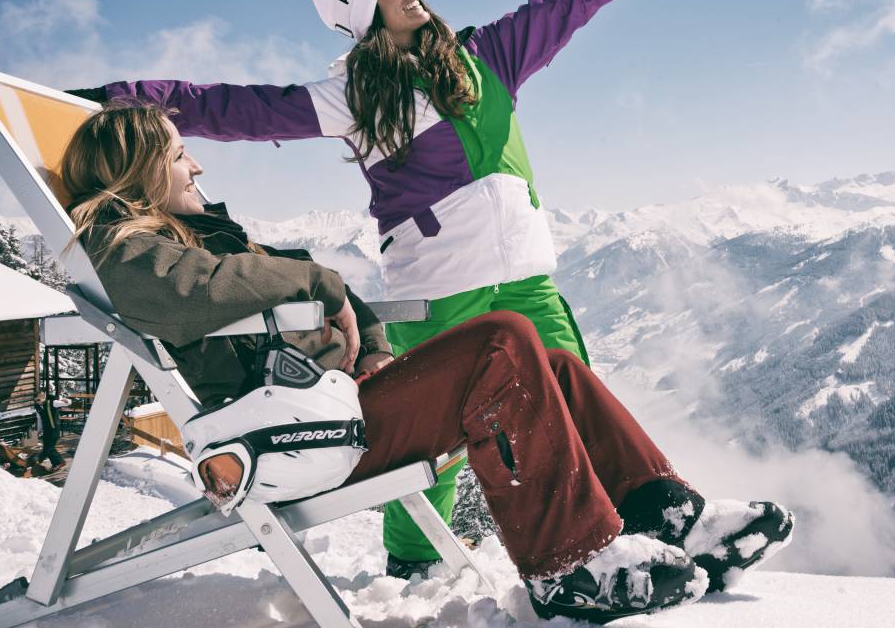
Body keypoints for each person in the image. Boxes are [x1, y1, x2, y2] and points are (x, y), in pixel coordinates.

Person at [66, 0, 683, 575]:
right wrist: (120, 96)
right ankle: (417, 561)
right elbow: (232, 106)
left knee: (570, 386)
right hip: (439, 283)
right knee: (451, 436)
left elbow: (565, 3)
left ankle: (657, 517)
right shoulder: (354, 97)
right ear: (363, 12)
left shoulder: (487, 58)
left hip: (526, 275)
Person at [59, 103, 793, 622]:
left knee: (555, 367)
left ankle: (670, 517)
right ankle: (568, 566)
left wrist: (369, 344)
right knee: (502, 338)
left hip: (331, 411)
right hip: (291, 443)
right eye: (178, 152)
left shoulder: (200, 233)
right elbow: (207, 292)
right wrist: (323, 286)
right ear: (139, 168)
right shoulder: (124, 249)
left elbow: (312, 294)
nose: (196, 162)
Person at [33, 389, 72, 470]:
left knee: (48, 448)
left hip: (54, 429)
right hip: (46, 430)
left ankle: (38, 461)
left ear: (43, 397)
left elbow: (68, 403)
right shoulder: (38, 408)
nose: (37, 402)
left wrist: (66, 400)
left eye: (38, 400)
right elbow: (39, 420)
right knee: (48, 446)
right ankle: (58, 462)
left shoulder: (52, 403)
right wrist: (38, 431)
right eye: (35, 400)